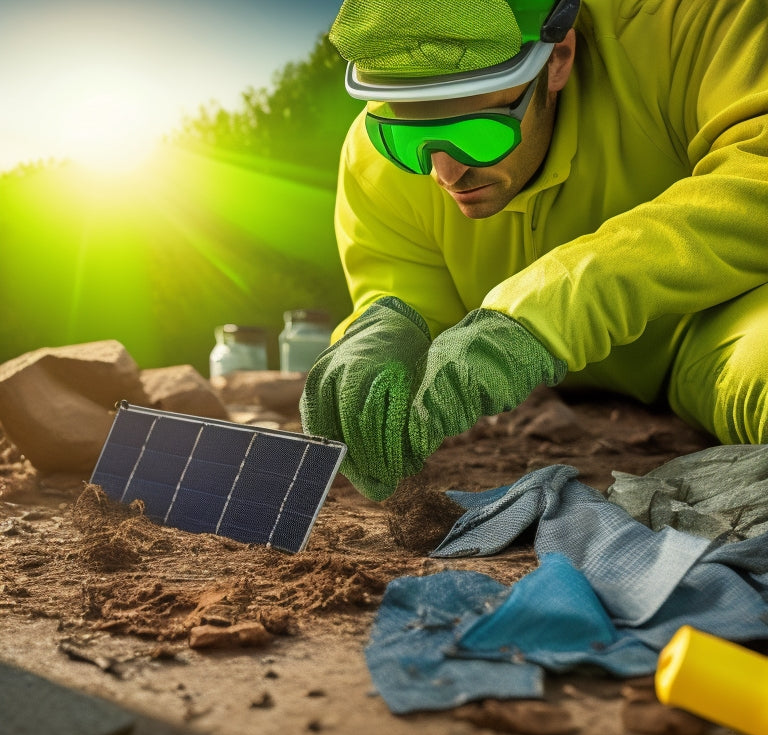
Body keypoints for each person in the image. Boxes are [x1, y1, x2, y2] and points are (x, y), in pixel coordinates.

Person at [300, 0, 768, 501]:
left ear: (558, 59)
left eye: (475, 134)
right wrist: (382, 329)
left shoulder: (690, 24)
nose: (444, 173)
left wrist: (550, 309)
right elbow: (407, 296)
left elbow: (756, 175)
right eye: (403, 135)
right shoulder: (375, 158)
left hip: (706, 326)